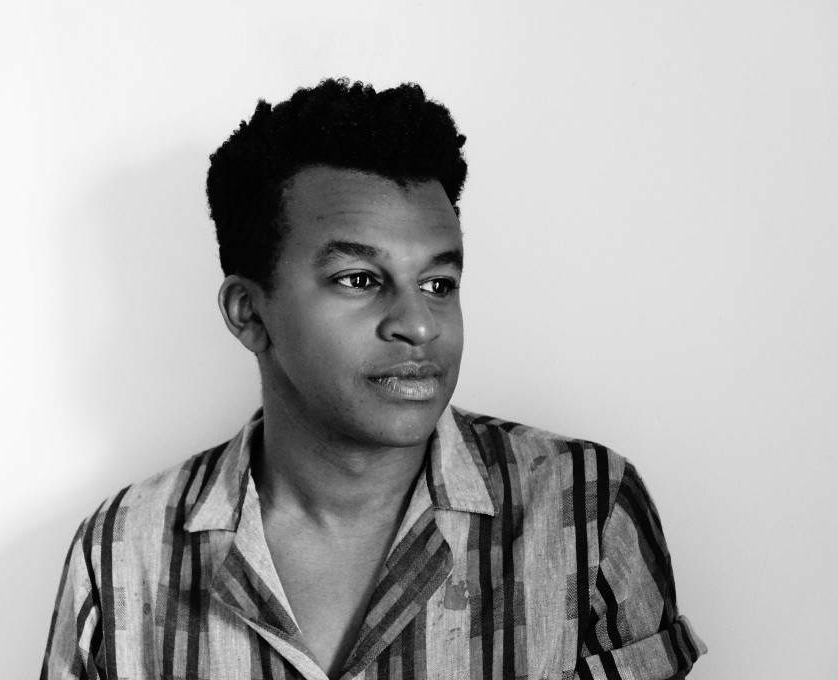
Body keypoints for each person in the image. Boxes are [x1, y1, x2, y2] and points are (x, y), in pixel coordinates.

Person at [40, 78, 706, 680]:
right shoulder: (123, 554)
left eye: (439, 283)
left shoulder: (585, 512)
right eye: (359, 279)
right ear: (250, 313)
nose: (418, 324)